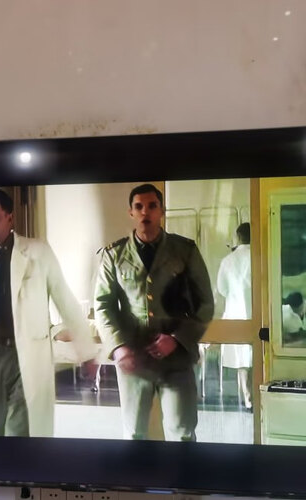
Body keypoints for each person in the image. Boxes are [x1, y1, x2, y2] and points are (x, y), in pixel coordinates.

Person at [0, 189, 96, 437]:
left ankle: (18, 462)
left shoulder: (38, 253)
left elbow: (65, 300)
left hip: (25, 354)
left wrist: (87, 351)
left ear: (10, 218)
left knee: (17, 431)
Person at [94, 183, 214, 441]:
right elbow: (102, 305)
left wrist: (178, 339)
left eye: (152, 206)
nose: (145, 212)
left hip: (176, 359)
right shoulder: (114, 255)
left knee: (182, 433)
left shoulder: (185, 250)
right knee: (134, 434)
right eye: (138, 207)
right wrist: (118, 348)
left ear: (162, 211)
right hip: (133, 358)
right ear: (131, 212)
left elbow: (205, 303)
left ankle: (181, 472)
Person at [217, 222, 253, 410]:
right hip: (257, 313)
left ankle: (248, 399)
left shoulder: (228, 261)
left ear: (238, 238)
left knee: (242, 361)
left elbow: (222, 289)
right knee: (258, 356)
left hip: (236, 313)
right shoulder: (259, 256)